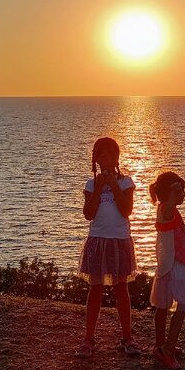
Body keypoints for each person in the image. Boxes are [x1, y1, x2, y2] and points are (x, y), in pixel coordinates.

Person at [75, 137, 141, 358]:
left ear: (116, 158)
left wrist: (113, 185)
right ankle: (89, 338)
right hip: (98, 239)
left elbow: (127, 210)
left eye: (109, 155)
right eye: (101, 155)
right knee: (95, 289)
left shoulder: (125, 182)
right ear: (95, 159)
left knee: (121, 289)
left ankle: (127, 337)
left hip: (119, 240)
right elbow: (88, 214)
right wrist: (100, 188)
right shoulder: (91, 184)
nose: (106, 159)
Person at [148, 171, 185, 370]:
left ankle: (161, 345)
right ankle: (166, 348)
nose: (184, 195)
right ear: (170, 194)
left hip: (173, 262)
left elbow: (175, 238)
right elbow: (168, 219)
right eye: (181, 191)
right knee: (182, 304)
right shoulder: (165, 210)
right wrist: (172, 194)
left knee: (164, 306)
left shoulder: (172, 212)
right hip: (173, 265)